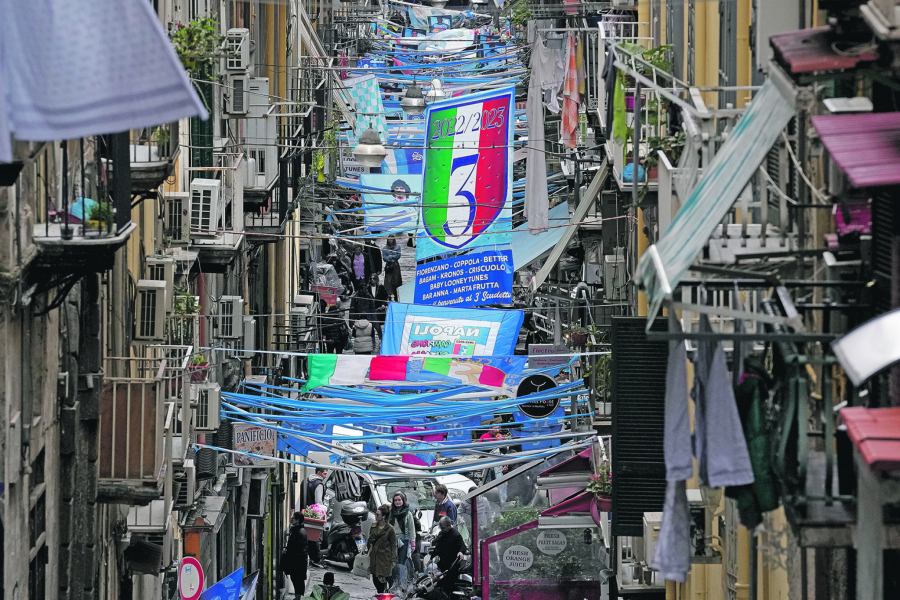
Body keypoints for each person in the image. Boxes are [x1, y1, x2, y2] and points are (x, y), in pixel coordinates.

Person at [429, 516, 467, 597]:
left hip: (452, 565)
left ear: (449, 526)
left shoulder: (456, 535)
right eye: (441, 528)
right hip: (442, 563)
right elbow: (437, 547)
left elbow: (462, 545)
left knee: (449, 585)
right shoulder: (441, 534)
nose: (442, 530)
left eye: (443, 528)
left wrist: (460, 552)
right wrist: (431, 558)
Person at [368, 504, 398, 594]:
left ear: (384, 516)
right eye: (376, 514)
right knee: (375, 579)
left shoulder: (390, 529)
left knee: (382, 581)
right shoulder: (373, 526)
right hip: (375, 557)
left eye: (378, 515)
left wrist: (393, 560)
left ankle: (382, 594)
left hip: (385, 559)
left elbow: (393, 545)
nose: (376, 516)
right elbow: (370, 540)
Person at [389, 491, 416, 588]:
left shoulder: (407, 513)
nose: (397, 502)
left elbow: (412, 529)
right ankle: (393, 583)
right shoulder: (391, 513)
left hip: (404, 540)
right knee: (392, 562)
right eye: (395, 500)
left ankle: (401, 583)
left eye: (399, 500)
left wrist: (413, 543)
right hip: (392, 541)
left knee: (401, 562)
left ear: (403, 501)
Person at [283, 512, 309, 598]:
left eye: (293, 518)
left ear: (297, 520)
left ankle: (297, 598)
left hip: (298, 564)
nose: (291, 519)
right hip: (296, 564)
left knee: (297, 582)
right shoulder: (297, 531)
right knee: (296, 581)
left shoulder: (300, 532)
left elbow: (299, 551)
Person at [366, 274, 390, 338]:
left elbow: (386, 297)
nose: (372, 280)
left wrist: (384, 304)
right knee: (371, 326)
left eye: (374, 279)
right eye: (371, 279)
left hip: (379, 309)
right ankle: (373, 341)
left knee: (378, 326)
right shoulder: (367, 289)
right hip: (371, 310)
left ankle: (381, 339)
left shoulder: (381, 287)